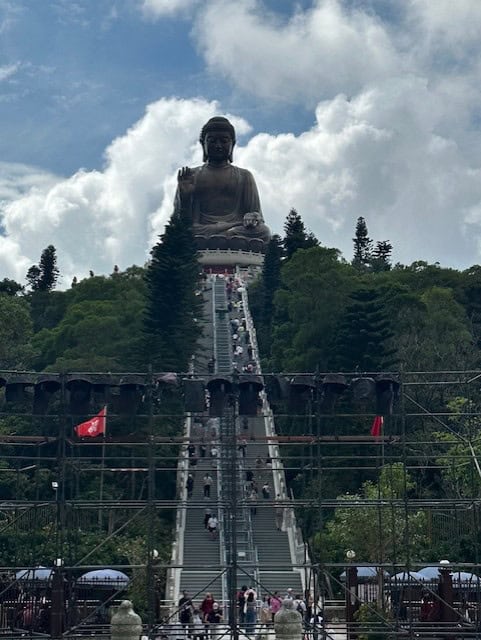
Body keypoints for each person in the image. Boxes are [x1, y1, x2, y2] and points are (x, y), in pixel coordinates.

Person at [174, 117, 271, 252]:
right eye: (212, 141)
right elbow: (180, 223)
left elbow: (256, 215)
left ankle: (223, 237)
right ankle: (223, 237)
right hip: (201, 231)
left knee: (263, 232)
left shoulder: (244, 176)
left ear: (233, 144)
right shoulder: (192, 176)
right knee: (183, 234)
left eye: (224, 141)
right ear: (203, 144)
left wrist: (252, 217)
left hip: (235, 230)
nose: (218, 146)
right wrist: (184, 198)